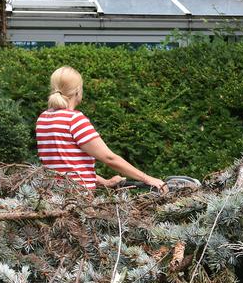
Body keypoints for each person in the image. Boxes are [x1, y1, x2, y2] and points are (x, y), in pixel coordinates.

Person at [36, 66, 165, 192]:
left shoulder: (43, 119)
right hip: (78, 201)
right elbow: (109, 158)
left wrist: (105, 182)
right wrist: (148, 179)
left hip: (50, 198)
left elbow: (63, 167)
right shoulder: (74, 120)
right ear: (77, 91)